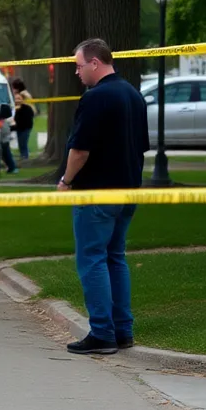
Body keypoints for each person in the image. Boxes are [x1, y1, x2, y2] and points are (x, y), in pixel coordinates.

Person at [57, 38, 149, 356]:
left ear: (95, 63)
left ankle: (102, 333)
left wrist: (67, 181)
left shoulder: (95, 98)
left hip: (96, 192)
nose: (77, 73)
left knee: (92, 259)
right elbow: (141, 147)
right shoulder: (133, 95)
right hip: (127, 191)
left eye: (79, 66)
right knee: (115, 257)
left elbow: (80, 149)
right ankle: (123, 330)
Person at [12, 78, 36, 160]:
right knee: (22, 143)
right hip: (22, 123)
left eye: (14, 88)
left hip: (25, 123)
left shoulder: (23, 95)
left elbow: (25, 109)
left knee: (23, 143)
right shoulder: (24, 94)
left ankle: (25, 158)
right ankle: (24, 157)